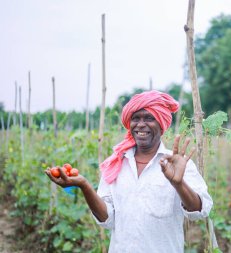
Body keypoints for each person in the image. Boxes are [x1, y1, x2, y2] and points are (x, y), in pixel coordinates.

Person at [45, 90, 213, 253]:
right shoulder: (116, 163)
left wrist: (178, 184)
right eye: (135, 118)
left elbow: (200, 210)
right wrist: (84, 185)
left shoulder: (178, 163)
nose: (140, 124)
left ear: (161, 125)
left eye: (149, 118)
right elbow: (107, 219)